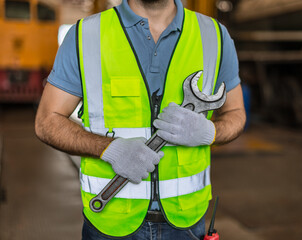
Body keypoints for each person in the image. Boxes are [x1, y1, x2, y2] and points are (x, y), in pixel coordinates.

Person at [35, 0, 246, 239]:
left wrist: (211, 132)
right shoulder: (85, 35)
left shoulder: (214, 35)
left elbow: (236, 114)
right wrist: (109, 149)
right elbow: (47, 122)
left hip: (187, 220)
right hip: (110, 220)